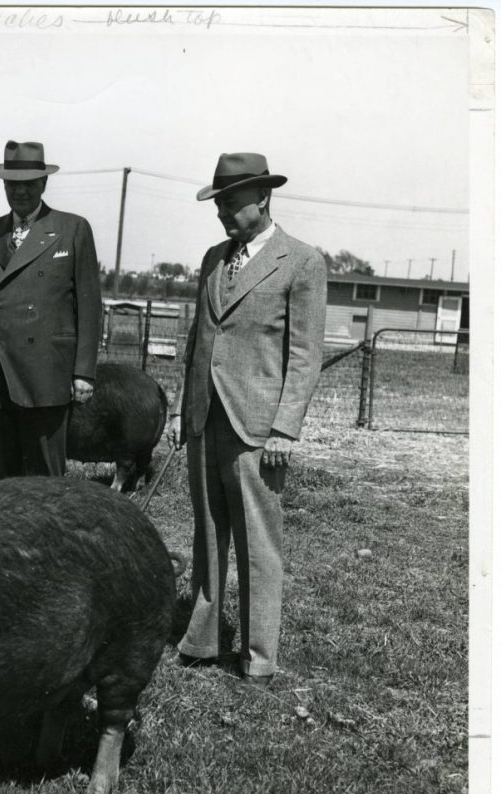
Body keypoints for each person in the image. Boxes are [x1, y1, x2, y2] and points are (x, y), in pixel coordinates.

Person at [167, 152, 327, 687]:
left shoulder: (302, 262)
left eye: (231, 204)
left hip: (258, 426)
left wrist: (285, 427)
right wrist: (180, 408)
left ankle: (259, 655)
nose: (222, 215)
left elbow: (304, 355)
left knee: (259, 542)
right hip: (204, 417)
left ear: (262, 198)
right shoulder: (215, 258)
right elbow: (198, 341)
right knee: (208, 533)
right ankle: (204, 637)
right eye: (218, 205)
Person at [0, 140, 102, 479]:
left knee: (44, 479)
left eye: (29, 184)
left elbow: (90, 307)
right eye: (12, 184)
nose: (20, 192)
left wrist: (83, 372)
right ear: (4, 185)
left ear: (44, 184)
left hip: (45, 375)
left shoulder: (71, 229)